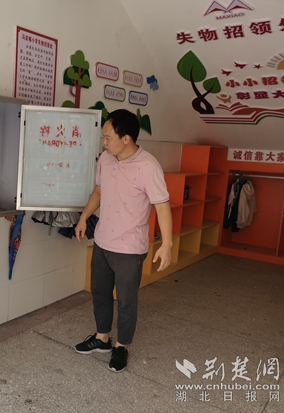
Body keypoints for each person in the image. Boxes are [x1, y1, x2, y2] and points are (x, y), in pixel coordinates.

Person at [73, 109, 172, 373]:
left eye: (108, 138)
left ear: (126, 138)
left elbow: (162, 206)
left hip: (129, 247)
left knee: (126, 300)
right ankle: (102, 338)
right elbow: (99, 191)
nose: (104, 143)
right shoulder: (106, 159)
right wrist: (84, 217)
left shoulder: (149, 167)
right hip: (103, 241)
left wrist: (167, 244)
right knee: (100, 292)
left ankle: (122, 346)